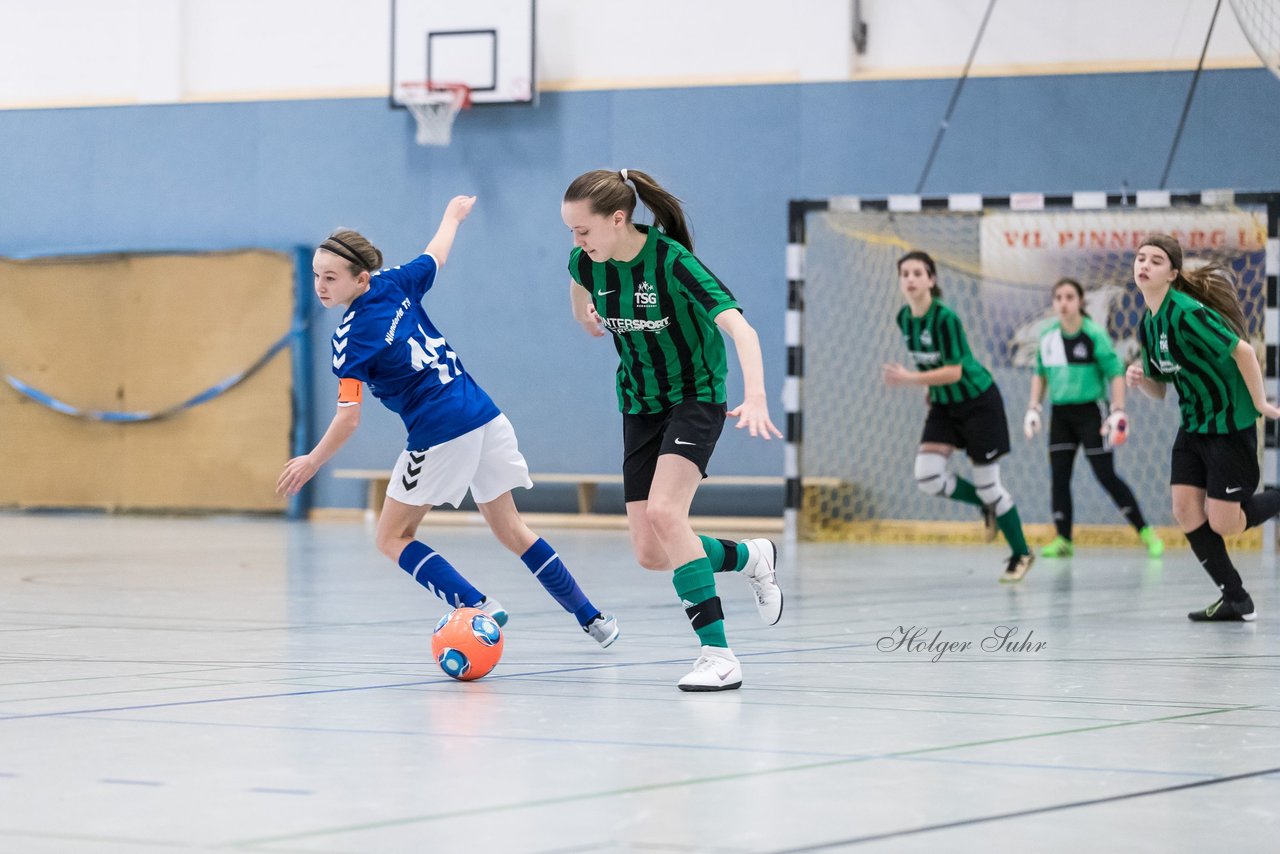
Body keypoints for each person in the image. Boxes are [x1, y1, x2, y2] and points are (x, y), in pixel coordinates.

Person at [277, 196, 619, 646]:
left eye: (330, 278)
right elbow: (435, 254)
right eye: (317, 276)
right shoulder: (394, 283)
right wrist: (452, 217)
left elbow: (349, 419)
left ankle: (478, 606)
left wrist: (312, 461)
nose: (320, 285)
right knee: (510, 528)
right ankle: (593, 619)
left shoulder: (350, 339)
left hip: (440, 431)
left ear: (360, 279)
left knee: (392, 536)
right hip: (484, 415)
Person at [561, 168, 783, 692]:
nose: (576, 241)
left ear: (618, 219)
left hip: (695, 397)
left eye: (583, 230)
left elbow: (741, 328)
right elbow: (578, 291)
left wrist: (756, 395)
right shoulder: (584, 261)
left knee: (666, 512)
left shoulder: (673, 263)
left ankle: (719, 654)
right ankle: (749, 556)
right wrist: (587, 318)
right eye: (570, 231)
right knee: (651, 551)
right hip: (639, 403)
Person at [1126, 233, 1280, 622]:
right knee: (1184, 510)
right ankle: (1236, 598)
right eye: (1141, 258)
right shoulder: (1148, 324)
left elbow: (1242, 351)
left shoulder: (1186, 312)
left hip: (1229, 423)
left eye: (1156, 260)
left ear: (1173, 273)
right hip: (1193, 424)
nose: (1144, 264)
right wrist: (1140, 378)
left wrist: (1261, 403)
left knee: (1225, 523)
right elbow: (1160, 391)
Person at [882, 250, 1034, 582]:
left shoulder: (945, 318)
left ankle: (1021, 552)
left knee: (990, 486)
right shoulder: (904, 318)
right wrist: (927, 387)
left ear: (931, 280)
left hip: (979, 403)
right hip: (943, 405)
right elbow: (930, 364)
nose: (910, 279)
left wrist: (910, 379)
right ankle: (984, 504)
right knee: (928, 476)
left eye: (917, 273)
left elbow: (952, 371)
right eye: (904, 273)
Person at [1024, 277, 1163, 558]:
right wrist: (1033, 407)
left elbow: (1114, 373)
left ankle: (1145, 532)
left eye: (1069, 297)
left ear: (1080, 302)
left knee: (1106, 475)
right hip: (1060, 415)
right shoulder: (1048, 337)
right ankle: (1063, 539)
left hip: (1090, 413)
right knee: (1059, 477)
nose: (1063, 303)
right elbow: (1040, 374)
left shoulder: (1093, 335)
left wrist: (1118, 409)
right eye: (1058, 297)